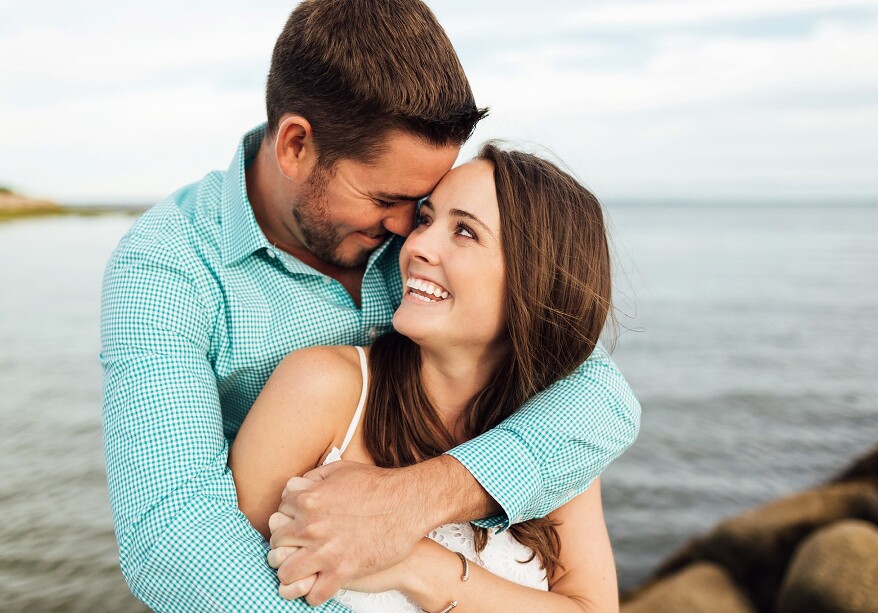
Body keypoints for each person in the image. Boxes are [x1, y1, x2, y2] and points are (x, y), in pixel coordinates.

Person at [100, 1, 639, 611]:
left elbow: (598, 396)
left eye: (428, 202)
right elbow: (173, 539)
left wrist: (416, 503)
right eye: (388, 197)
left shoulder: (415, 247)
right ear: (296, 145)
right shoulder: (168, 266)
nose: (410, 230)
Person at [231, 143, 622, 612]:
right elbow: (226, 585)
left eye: (464, 232)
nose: (416, 246)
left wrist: (416, 565)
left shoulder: (554, 427)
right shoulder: (322, 389)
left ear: (534, 281)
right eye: (425, 219)